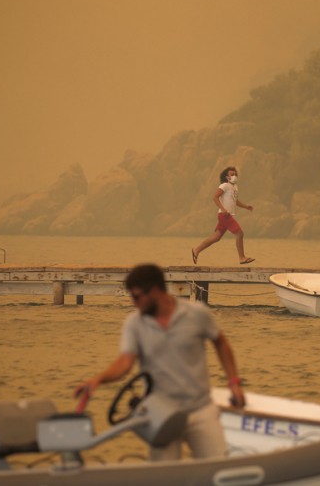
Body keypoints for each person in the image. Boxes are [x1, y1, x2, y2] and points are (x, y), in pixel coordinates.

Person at [74, 264, 246, 461]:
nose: (133, 303)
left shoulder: (196, 313)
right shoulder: (135, 324)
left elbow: (220, 342)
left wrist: (233, 383)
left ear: (155, 291)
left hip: (201, 410)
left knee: (218, 471)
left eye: (137, 297)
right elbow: (125, 362)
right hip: (161, 415)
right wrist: (97, 379)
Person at [192, 166, 255, 265]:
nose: (234, 176)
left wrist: (246, 206)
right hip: (224, 215)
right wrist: (223, 209)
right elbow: (215, 197)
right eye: (232, 174)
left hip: (226, 216)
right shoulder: (224, 185)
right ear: (227, 177)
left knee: (216, 237)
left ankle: (196, 250)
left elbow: (235, 201)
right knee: (239, 233)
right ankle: (242, 258)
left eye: (235, 174)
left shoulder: (235, 187)